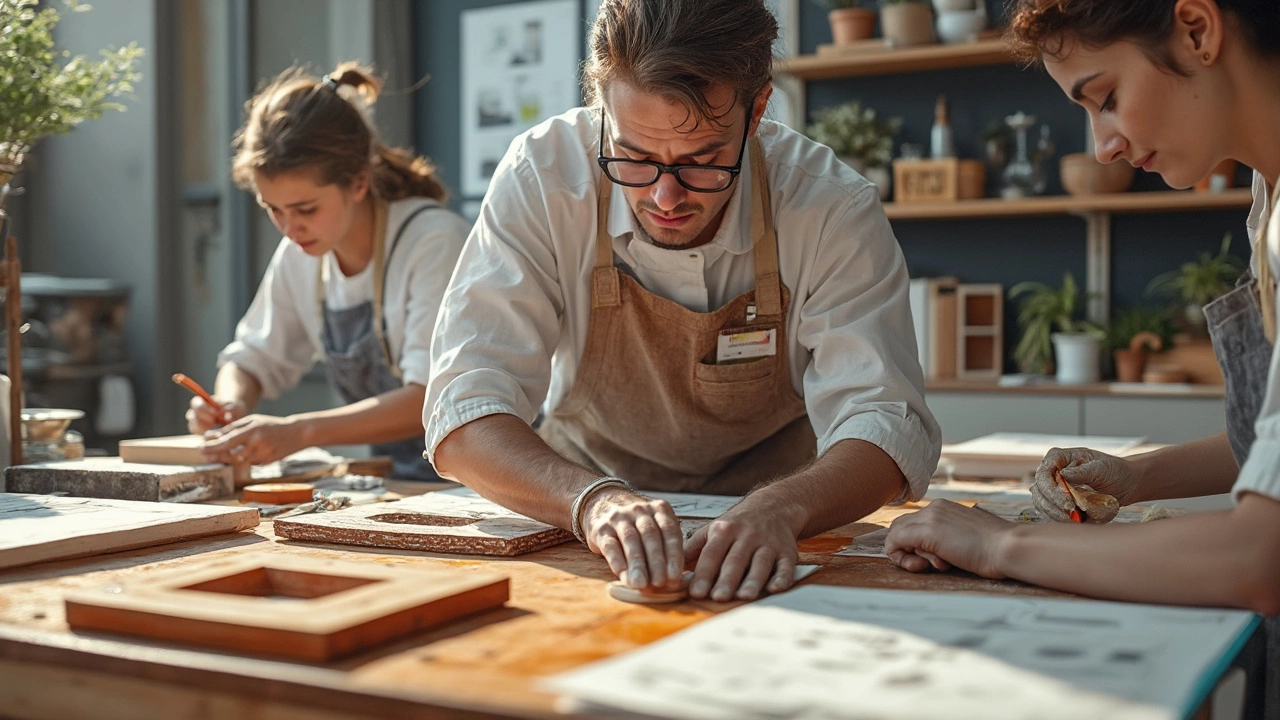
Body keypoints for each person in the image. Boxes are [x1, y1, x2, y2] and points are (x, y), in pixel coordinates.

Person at [426, 0, 940, 602]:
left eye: (702, 163)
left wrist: (783, 506)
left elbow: (885, 422)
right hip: (573, 507)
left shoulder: (827, 206)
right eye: (635, 159)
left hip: (784, 522)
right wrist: (590, 500)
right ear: (603, 108)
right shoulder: (544, 176)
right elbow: (464, 409)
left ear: (758, 112)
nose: (665, 196)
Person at [885, 0, 1280, 614]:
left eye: (1107, 98)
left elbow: (1259, 559)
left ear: (1198, 30)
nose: (1103, 147)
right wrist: (1136, 477)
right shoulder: (1269, 195)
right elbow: (1270, 444)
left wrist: (1003, 544)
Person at [190, 63, 469, 481]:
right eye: (273, 209)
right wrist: (229, 403)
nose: (289, 228)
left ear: (358, 182)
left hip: (483, 481)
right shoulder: (300, 253)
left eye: (305, 209)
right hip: (398, 479)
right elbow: (252, 357)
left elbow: (430, 399)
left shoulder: (434, 242)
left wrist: (298, 431)